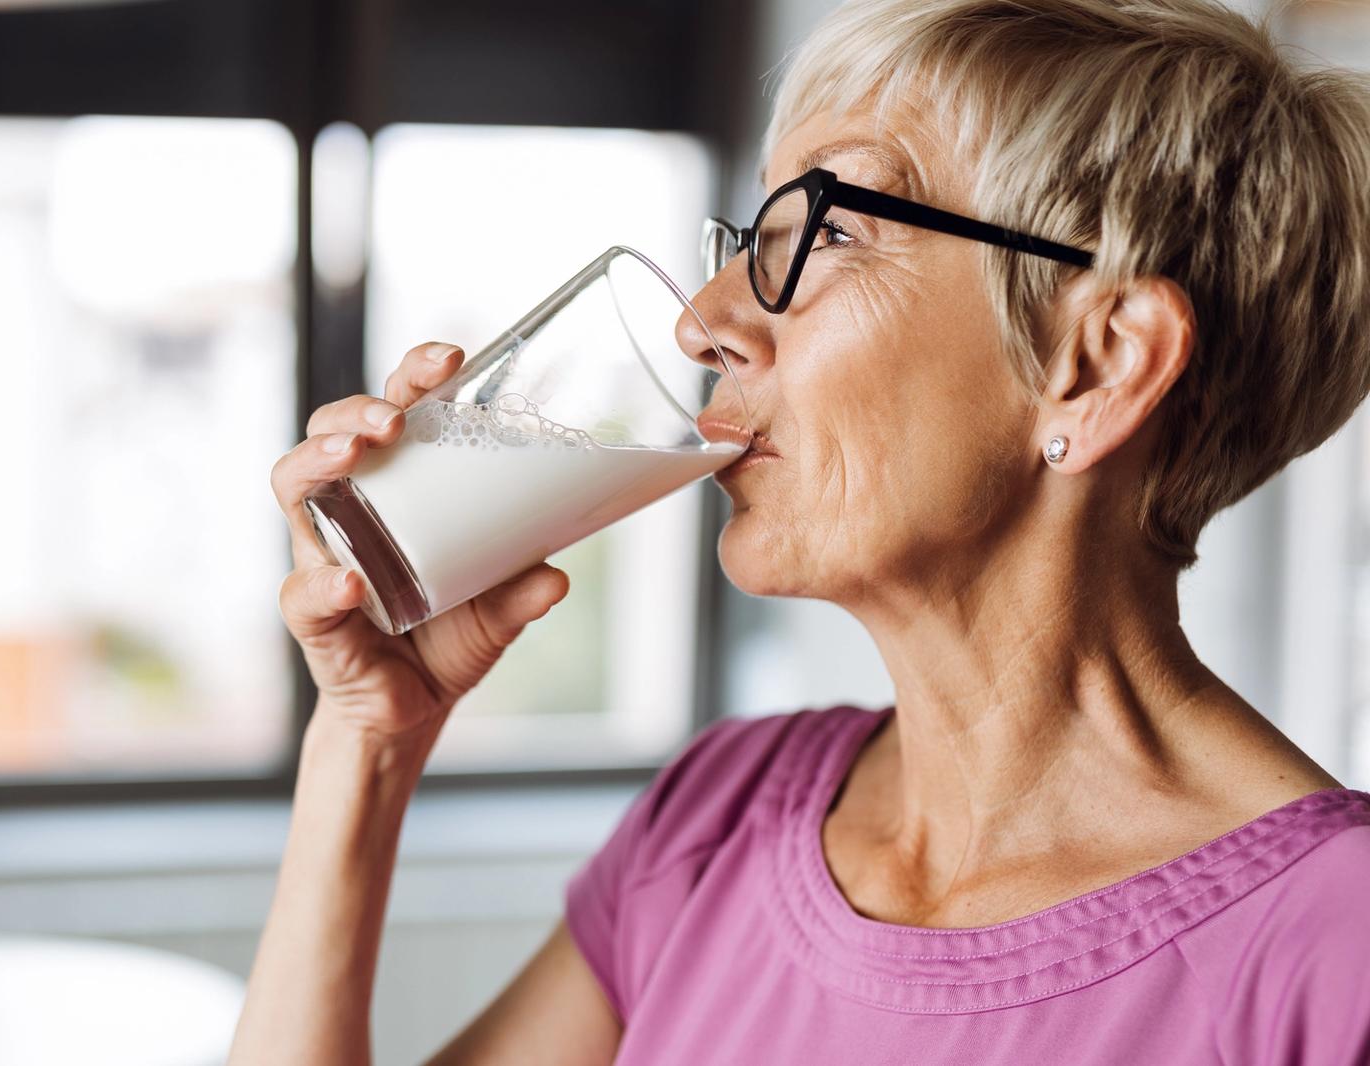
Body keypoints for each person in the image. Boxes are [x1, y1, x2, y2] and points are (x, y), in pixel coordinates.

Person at [234, 0, 1370, 1061]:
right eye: (745, 234)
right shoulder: (723, 815)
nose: (702, 321)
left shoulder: (1336, 956)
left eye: (824, 231)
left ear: (1098, 365)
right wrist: (365, 746)